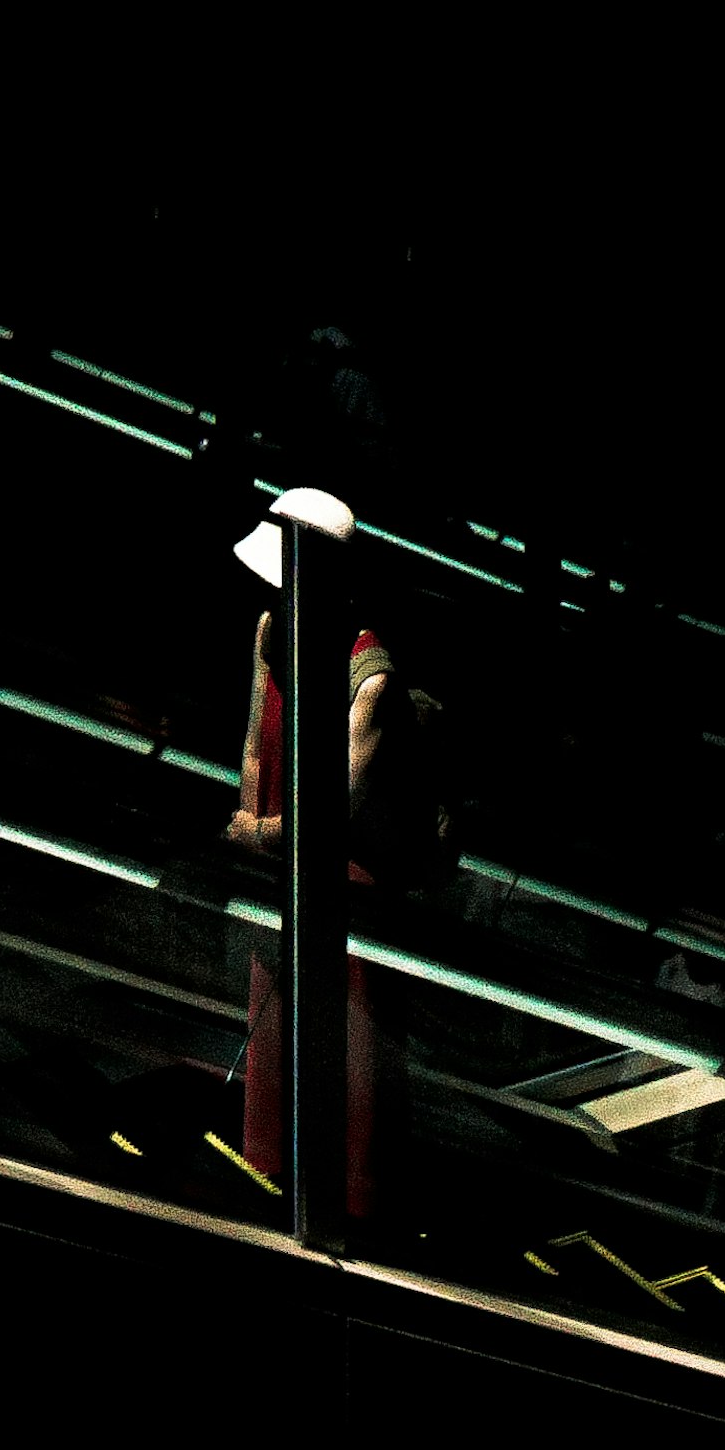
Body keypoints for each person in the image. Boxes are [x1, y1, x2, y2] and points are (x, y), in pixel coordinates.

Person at [226, 514, 436, 1228]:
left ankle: (350, 1209)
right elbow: (257, 745)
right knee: (278, 1037)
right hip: (281, 872)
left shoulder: (369, 681)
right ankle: (276, 1187)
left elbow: (332, 816)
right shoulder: (270, 630)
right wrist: (250, 831)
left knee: (352, 1061)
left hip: (351, 893)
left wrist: (257, 831)